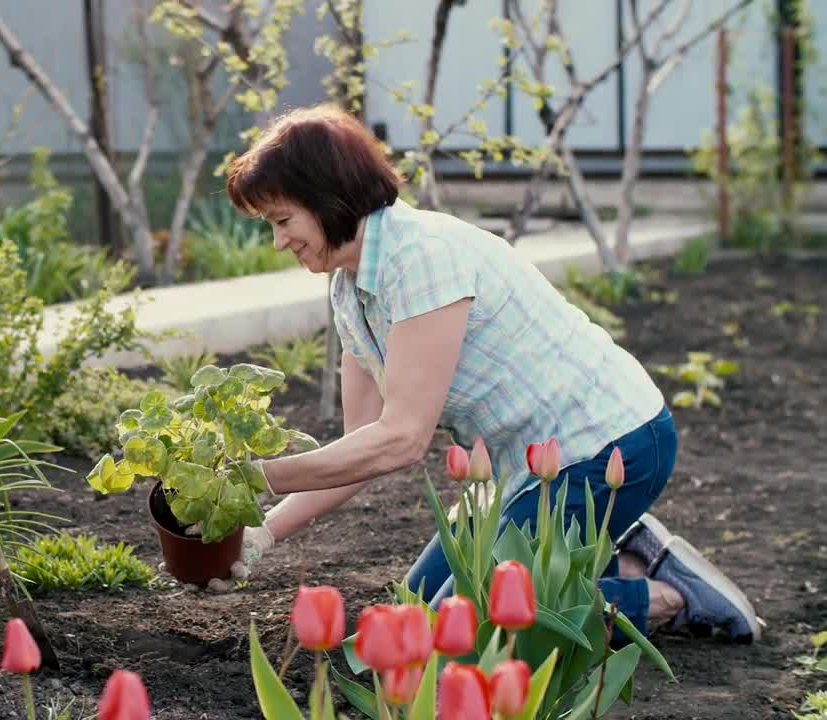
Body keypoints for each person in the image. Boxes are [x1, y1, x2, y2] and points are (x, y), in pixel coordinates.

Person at [217, 103, 760, 644]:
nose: (279, 241)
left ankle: (664, 597)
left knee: (463, 627)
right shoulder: (351, 287)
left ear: (327, 197)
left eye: (283, 220)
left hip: (607, 446)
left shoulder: (423, 258)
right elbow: (362, 449)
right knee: (418, 618)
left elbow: (402, 441)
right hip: (523, 472)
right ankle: (618, 559)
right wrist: (260, 533)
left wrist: (254, 476)